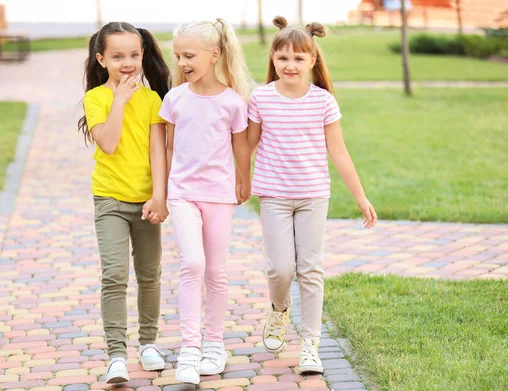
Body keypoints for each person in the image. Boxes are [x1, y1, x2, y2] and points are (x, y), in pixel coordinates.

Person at [247, 16, 377, 374]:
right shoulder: (260, 98)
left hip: (313, 196)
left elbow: (339, 152)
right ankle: (278, 310)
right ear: (273, 58)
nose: (290, 65)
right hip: (273, 195)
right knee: (280, 269)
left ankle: (310, 345)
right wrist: (239, 181)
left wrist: (361, 197)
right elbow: (248, 146)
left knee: (311, 269)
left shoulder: (323, 102)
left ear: (313, 61)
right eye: (283, 58)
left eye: (299, 59)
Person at [159, 18, 253, 385]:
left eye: (189, 55)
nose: (182, 62)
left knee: (216, 271)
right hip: (182, 193)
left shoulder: (232, 102)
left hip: (218, 195)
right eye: (178, 56)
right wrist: (162, 191)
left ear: (214, 54)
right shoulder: (175, 98)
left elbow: (240, 146)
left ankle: (214, 344)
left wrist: (244, 180)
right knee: (192, 264)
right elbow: (167, 147)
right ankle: (189, 350)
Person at [78, 21, 170, 383]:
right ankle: (117, 354)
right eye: (118, 56)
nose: (127, 63)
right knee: (115, 276)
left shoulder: (152, 100)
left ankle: (148, 343)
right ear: (102, 59)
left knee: (150, 275)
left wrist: (159, 196)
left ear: (143, 55)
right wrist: (119, 100)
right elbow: (109, 143)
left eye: (134, 55)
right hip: (111, 200)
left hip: (147, 202)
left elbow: (158, 153)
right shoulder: (96, 98)